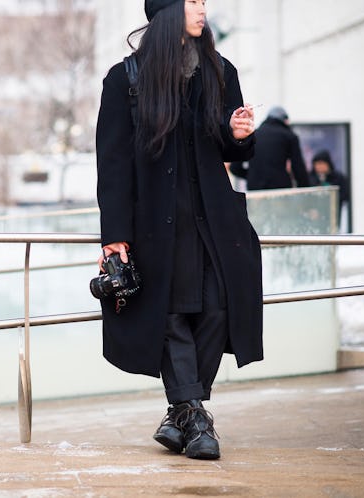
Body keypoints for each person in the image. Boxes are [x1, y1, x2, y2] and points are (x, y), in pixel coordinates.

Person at [95, 0, 263, 460]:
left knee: (217, 309)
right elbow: (112, 165)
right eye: (192, 1)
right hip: (153, 226)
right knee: (168, 315)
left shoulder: (219, 70)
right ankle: (194, 416)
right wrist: (115, 236)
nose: (203, 8)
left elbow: (233, 149)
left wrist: (240, 133)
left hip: (213, 218)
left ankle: (182, 414)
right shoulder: (125, 78)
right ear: (167, 11)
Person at [229, 106, 310, 189]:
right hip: (280, 188)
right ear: (285, 120)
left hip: (255, 189)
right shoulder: (289, 136)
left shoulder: (252, 135)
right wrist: (305, 190)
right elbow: (298, 166)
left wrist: (252, 177)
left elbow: (235, 168)